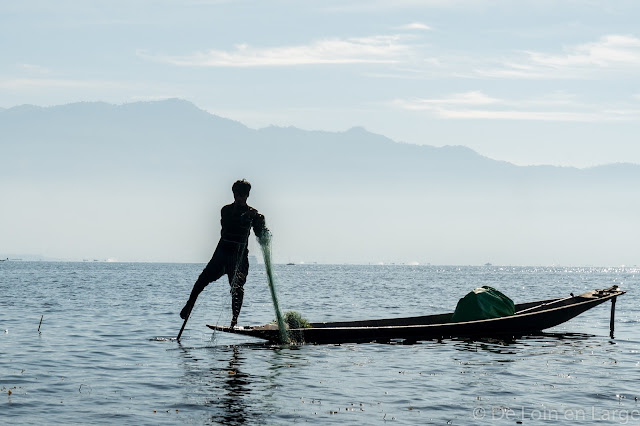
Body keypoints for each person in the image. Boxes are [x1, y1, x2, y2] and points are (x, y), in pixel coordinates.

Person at [180, 179, 269, 328]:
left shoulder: (251, 213)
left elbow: (260, 234)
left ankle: (234, 320)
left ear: (247, 195)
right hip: (222, 255)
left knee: (237, 288)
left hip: (239, 258)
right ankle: (189, 305)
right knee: (201, 280)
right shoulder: (226, 210)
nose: (240, 197)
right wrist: (246, 216)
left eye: (243, 195)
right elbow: (229, 225)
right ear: (234, 194)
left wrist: (260, 221)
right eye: (238, 194)